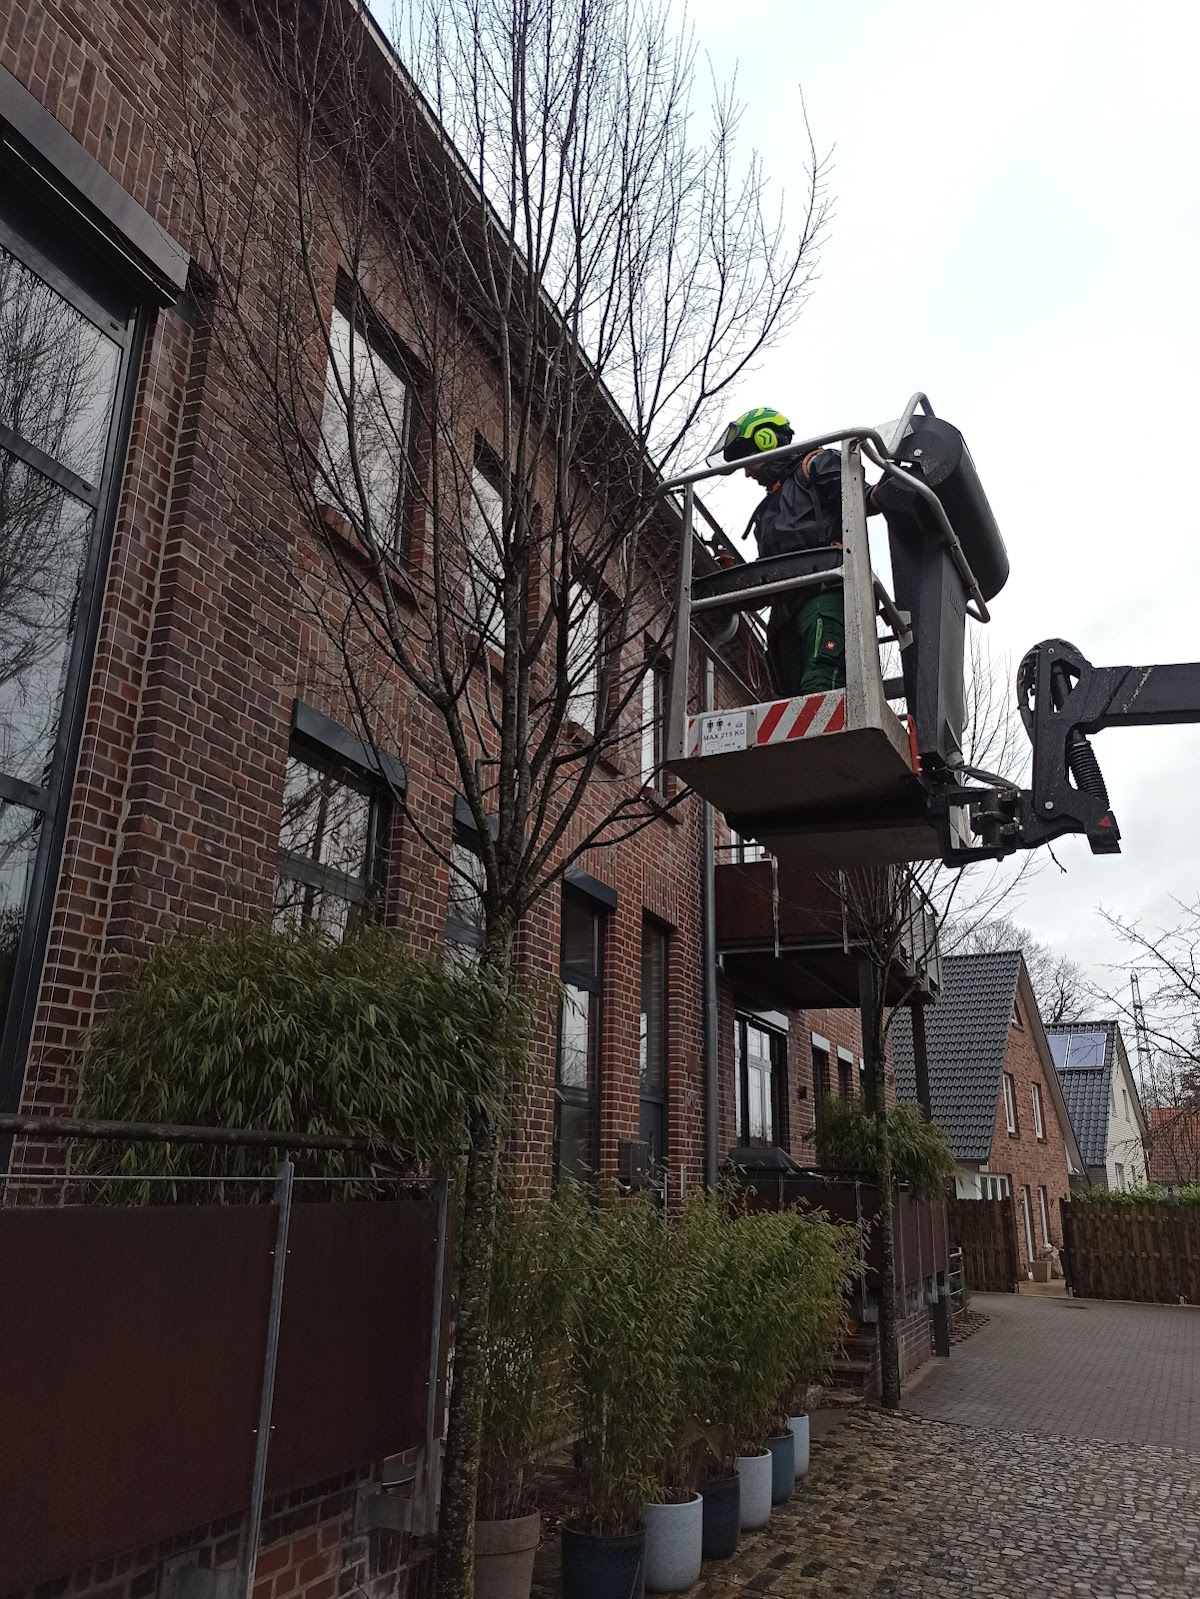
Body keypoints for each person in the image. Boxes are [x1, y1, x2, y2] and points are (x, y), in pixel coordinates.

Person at [720, 407, 879, 698]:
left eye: (747, 460)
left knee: (821, 685)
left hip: (823, 593)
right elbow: (768, 576)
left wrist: (887, 493)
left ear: (766, 440)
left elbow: (861, 498)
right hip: (784, 617)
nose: (746, 472)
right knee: (792, 700)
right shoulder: (768, 512)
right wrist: (733, 583)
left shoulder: (817, 464)